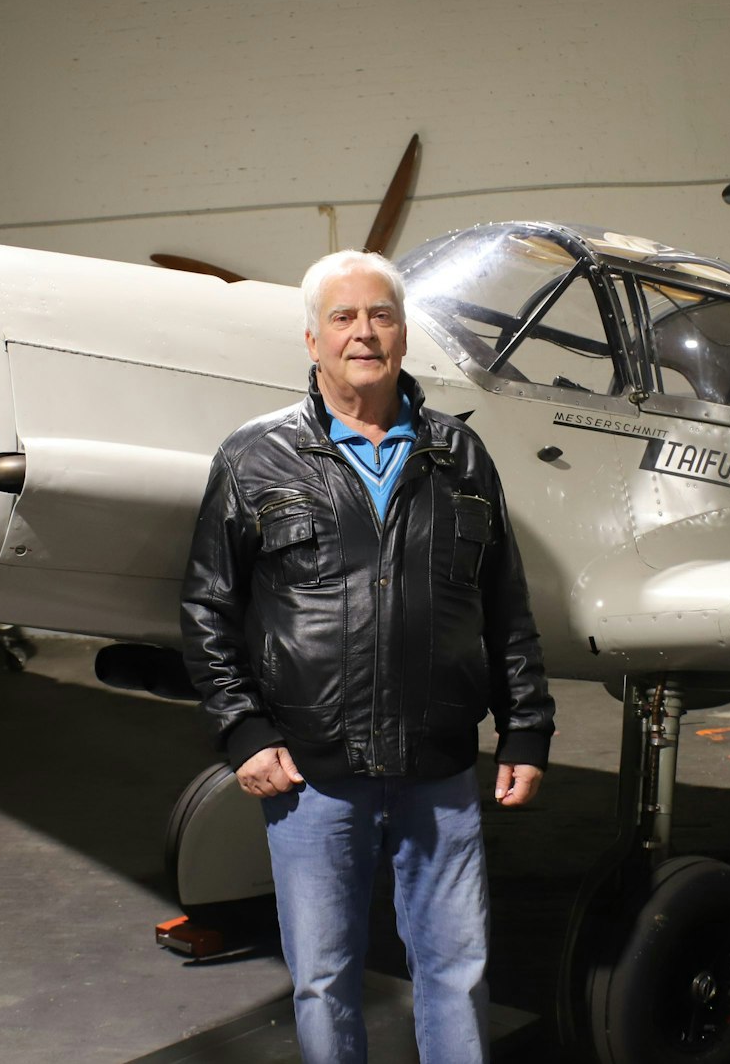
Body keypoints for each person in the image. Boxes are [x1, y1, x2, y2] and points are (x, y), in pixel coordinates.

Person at [181, 249, 555, 1064]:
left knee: (456, 969)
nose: (364, 332)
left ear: (403, 333)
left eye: (380, 315)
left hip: (440, 771)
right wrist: (243, 731)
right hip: (313, 775)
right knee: (323, 978)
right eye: (344, 318)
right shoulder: (254, 458)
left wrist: (526, 726)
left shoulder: (461, 458)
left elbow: (506, 607)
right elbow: (208, 608)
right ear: (312, 340)